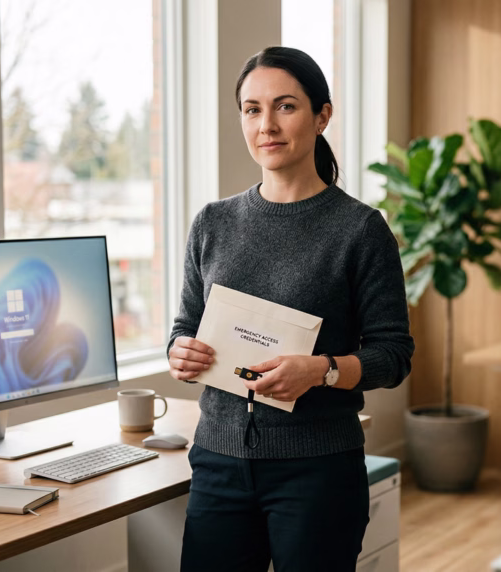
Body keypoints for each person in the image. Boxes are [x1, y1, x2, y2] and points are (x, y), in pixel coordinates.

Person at [166, 46, 414, 571]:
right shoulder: (213, 222)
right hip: (218, 461)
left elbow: (393, 355)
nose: (267, 125)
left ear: (322, 115)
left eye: (286, 106)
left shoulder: (360, 230)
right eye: (252, 109)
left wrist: (322, 371)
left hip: (318, 469)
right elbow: (185, 327)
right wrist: (180, 353)